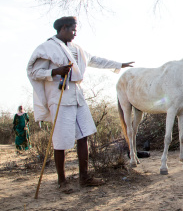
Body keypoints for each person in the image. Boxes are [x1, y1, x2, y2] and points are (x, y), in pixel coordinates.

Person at [27, 16, 134, 193]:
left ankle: (84, 177)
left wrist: (118, 64)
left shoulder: (78, 49)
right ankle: (62, 181)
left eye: (76, 30)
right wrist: (55, 71)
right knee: (60, 140)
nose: (75, 33)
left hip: (77, 96)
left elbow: (95, 60)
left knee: (84, 134)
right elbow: (34, 72)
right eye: (73, 29)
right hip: (59, 97)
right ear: (62, 29)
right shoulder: (47, 47)